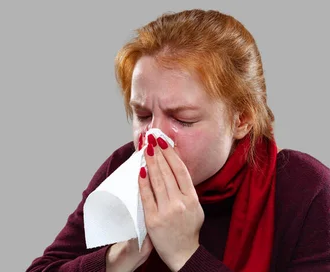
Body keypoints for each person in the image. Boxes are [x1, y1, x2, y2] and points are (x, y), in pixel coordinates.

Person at [26, 9, 330, 272]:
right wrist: (120, 256)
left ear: (242, 119)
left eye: (183, 119)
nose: (152, 139)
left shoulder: (305, 190)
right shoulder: (122, 168)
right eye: (143, 115)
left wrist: (185, 254)